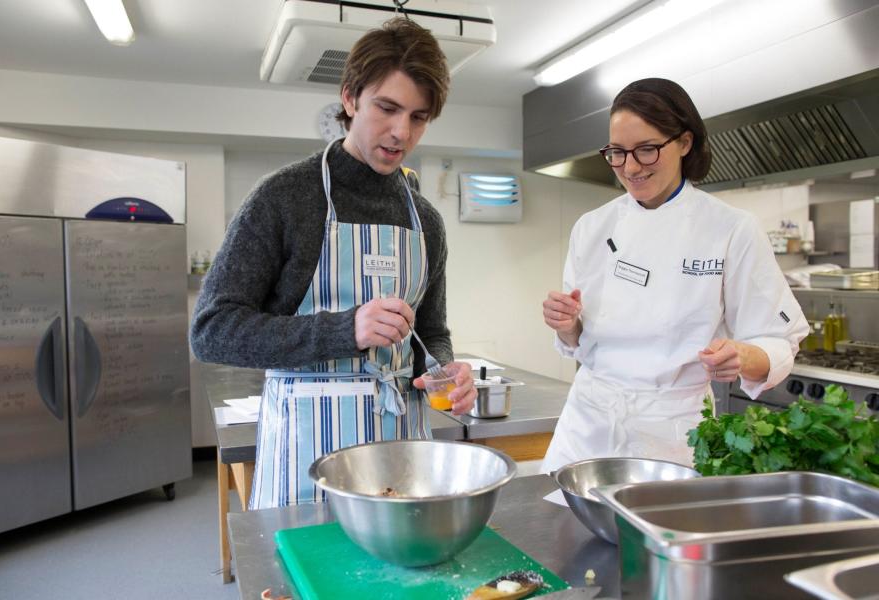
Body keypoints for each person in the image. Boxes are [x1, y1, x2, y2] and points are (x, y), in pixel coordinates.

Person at [190, 17, 477, 509]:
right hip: (306, 452)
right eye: (386, 108)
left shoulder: (425, 219)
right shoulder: (285, 197)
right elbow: (212, 330)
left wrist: (446, 370)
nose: (400, 132)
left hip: (402, 448)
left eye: (418, 117)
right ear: (350, 98)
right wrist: (345, 330)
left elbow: (431, 334)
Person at [540, 78, 809, 472]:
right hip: (589, 424)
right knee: (563, 529)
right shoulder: (592, 227)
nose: (629, 167)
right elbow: (577, 341)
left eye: (646, 150)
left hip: (672, 431)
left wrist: (742, 356)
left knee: (661, 531)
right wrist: (567, 324)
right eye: (617, 152)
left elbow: (779, 340)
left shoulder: (730, 228)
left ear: (684, 142)